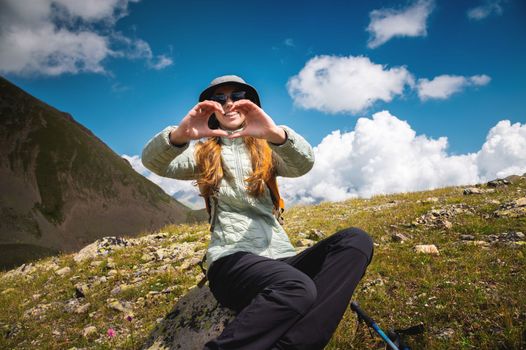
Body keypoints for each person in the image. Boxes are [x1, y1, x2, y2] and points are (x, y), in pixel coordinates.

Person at [141, 75, 374, 350]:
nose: (229, 103)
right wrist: (178, 136)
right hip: (231, 261)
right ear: (211, 110)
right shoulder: (204, 153)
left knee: (356, 241)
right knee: (297, 287)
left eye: (238, 96)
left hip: (281, 259)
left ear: (251, 104)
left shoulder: (267, 148)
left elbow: (304, 164)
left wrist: (276, 134)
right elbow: (153, 162)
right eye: (218, 99)